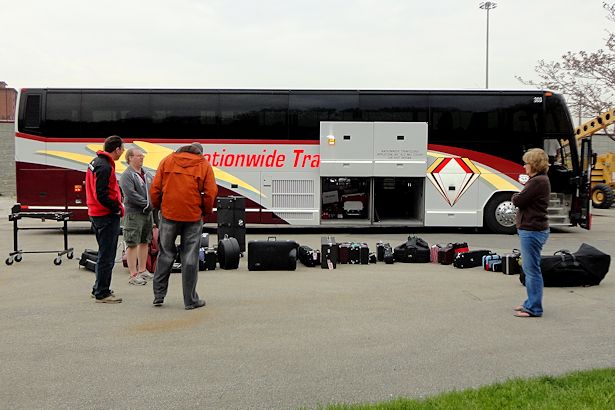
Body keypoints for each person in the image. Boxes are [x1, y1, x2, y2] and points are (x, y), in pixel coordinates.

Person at [150, 142, 217, 309]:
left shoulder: (167, 161)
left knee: (165, 253)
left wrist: (159, 206)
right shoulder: (204, 165)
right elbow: (210, 193)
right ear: (199, 153)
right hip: (192, 216)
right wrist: (204, 211)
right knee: (190, 257)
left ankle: (159, 295)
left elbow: (155, 189)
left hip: (169, 214)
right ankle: (190, 300)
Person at [512, 148, 551, 317]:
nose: (523, 166)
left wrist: (514, 196)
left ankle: (534, 308)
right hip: (534, 229)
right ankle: (530, 302)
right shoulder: (540, 180)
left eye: (526, 163)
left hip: (532, 230)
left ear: (534, 165)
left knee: (532, 270)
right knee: (530, 269)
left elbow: (519, 200)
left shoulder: (537, 181)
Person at [86, 135, 125, 303]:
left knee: (104, 253)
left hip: (95, 213)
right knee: (107, 256)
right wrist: (116, 208)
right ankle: (102, 293)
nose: (123, 152)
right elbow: (101, 194)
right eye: (122, 149)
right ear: (116, 149)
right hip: (105, 215)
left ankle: (98, 288)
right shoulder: (105, 167)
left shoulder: (96, 162)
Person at [119, 147, 154, 286]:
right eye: (138, 156)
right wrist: (147, 204)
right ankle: (133, 274)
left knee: (145, 241)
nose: (142, 158)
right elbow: (130, 194)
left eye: (142, 155)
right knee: (132, 242)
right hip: (134, 213)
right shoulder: (127, 175)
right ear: (130, 158)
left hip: (147, 213)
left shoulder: (147, 174)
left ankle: (142, 270)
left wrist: (153, 203)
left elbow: (154, 189)